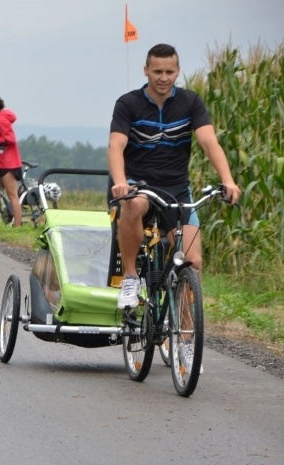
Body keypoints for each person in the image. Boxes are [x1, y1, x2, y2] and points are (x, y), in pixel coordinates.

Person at [108, 43, 242, 372]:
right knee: (133, 206)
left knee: (192, 262)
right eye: (157, 71)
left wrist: (228, 180)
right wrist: (121, 181)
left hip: (177, 189)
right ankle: (129, 278)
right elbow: (116, 144)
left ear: (177, 71)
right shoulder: (128, 104)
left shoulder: (190, 102)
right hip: (139, 183)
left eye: (170, 72)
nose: (163, 78)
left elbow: (209, 141)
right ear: (146, 71)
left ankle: (182, 339)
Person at [0, 95, 23, 227]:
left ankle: (18, 226)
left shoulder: (0, 119)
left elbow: (10, 139)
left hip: (8, 162)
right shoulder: (1, 118)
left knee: (12, 195)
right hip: (1, 161)